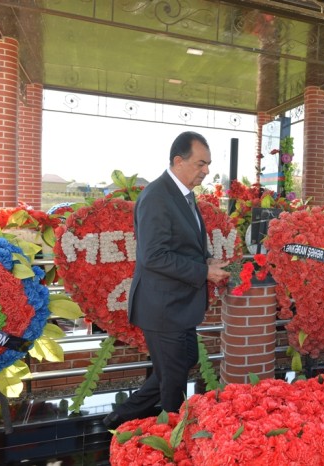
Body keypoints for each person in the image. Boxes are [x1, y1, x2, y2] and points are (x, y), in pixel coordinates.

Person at [103, 131, 230, 429]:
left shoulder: (184, 195)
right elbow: (154, 256)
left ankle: (121, 415)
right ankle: (175, 437)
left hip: (178, 305)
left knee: (180, 363)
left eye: (208, 164)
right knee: (173, 380)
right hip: (162, 307)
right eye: (201, 163)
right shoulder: (157, 196)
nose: (207, 171)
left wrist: (208, 259)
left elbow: (186, 244)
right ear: (178, 160)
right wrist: (203, 272)